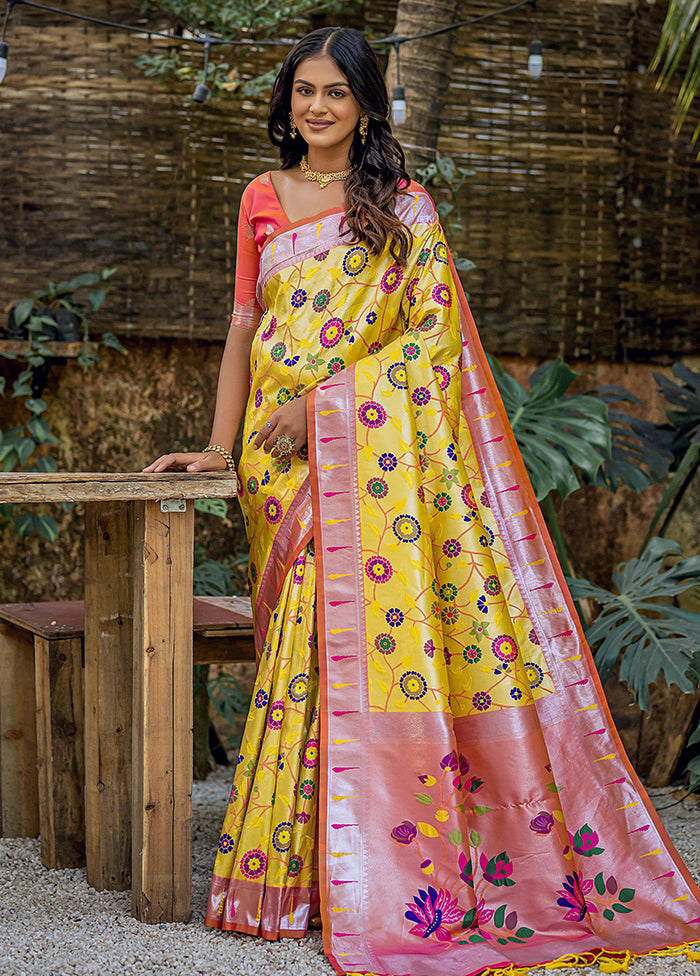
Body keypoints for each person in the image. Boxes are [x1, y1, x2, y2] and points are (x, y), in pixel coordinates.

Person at [144, 25, 700, 976]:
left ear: (365, 106)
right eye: (304, 92)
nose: (317, 108)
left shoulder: (405, 207)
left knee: (349, 646)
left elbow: (432, 345)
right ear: (288, 103)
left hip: (359, 458)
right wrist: (215, 445)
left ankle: (354, 877)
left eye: (336, 93)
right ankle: (304, 871)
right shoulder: (261, 197)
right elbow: (244, 329)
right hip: (278, 468)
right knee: (307, 647)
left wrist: (325, 402)